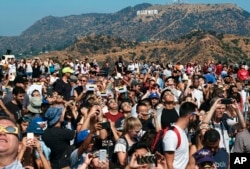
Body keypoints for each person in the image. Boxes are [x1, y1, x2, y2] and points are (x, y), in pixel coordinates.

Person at [163, 101, 197, 169]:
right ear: (191, 116)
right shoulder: (172, 134)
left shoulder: (182, 131)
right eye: (196, 115)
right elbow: (169, 164)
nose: (197, 118)